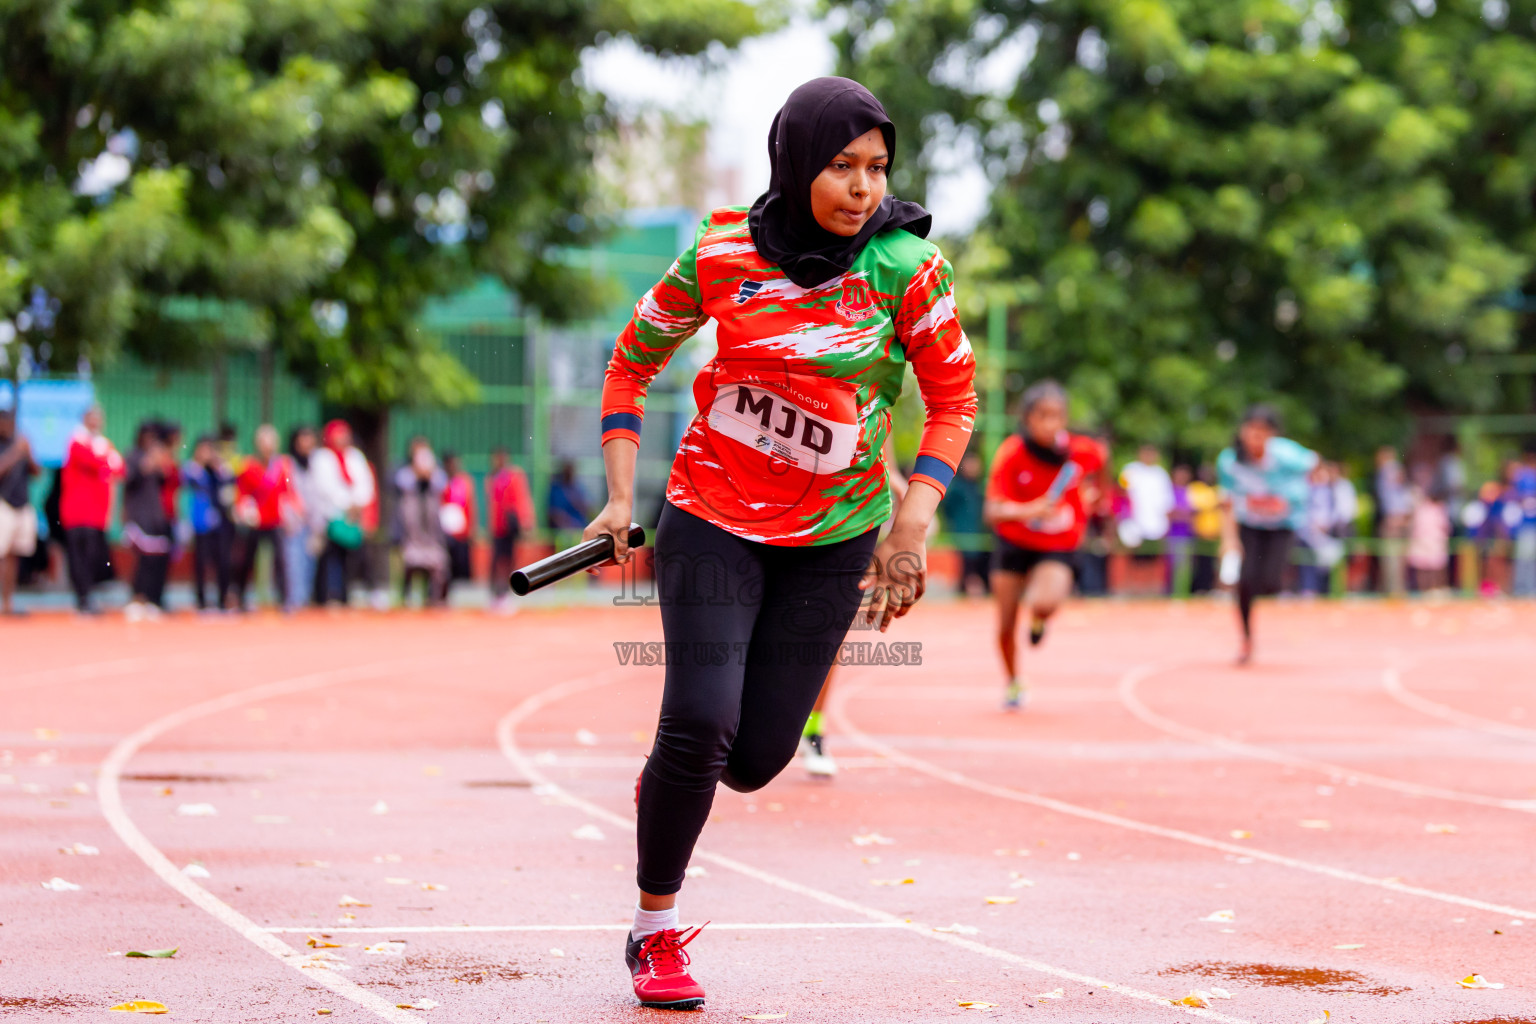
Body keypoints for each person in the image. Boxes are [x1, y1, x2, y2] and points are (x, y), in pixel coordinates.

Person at [586, 78, 975, 1011]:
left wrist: (910, 526)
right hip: (712, 518)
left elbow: (954, 399)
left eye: (877, 168)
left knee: (755, 759)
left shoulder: (907, 268)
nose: (861, 187)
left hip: (834, 541)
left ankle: (669, 784)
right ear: (797, 161)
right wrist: (614, 496)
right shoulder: (722, 253)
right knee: (702, 721)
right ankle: (652, 933)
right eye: (841, 166)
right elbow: (633, 357)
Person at [983, 380, 1107, 709]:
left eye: (1057, 416)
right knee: (1006, 623)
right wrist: (1029, 509)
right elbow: (992, 512)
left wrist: (1096, 498)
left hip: (1059, 545)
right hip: (1014, 542)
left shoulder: (1081, 451)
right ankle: (1012, 681)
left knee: (1044, 602)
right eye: (1042, 416)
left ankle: (1038, 618)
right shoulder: (1012, 453)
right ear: (1028, 419)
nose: (1050, 423)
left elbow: (1101, 465)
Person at [1217, 405, 1318, 664]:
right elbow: (1226, 501)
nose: (1256, 437)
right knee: (1245, 581)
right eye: (1251, 430)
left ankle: (1264, 588)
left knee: (1271, 583)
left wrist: (1297, 496)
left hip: (1282, 526)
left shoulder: (1287, 455)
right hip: (1250, 526)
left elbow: (1315, 464)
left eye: (1263, 432)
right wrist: (1228, 540)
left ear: (1272, 435)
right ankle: (1246, 638)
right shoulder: (1230, 462)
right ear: (1242, 431)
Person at [60, 405, 124, 614]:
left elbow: (120, 469)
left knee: (93, 555)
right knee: (78, 556)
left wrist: (106, 460)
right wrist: (106, 460)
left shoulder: (102, 443)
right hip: (76, 512)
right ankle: (82, 597)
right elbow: (94, 462)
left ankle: (87, 596)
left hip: (96, 513)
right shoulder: (77, 441)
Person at [310, 419, 375, 606]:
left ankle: (344, 595)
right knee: (329, 558)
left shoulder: (355, 456)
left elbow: (365, 483)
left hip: (352, 517)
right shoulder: (322, 457)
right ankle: (324, 596)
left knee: (351, 559)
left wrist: (357, 504)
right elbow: (325, 487)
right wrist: (346, 504)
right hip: (330, 516)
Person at [234, 424, 294, 610]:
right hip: (255, 522)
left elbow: (287, 491)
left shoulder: (282, 466)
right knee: (247, 561)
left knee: (281, 561)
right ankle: (241, 598)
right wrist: (244, 511)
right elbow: (241, 493)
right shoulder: (248, 466)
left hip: (275, 520)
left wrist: (290, 515)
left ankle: (284, 600)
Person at [122, 420, 175, 618]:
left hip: (155, 516)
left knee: (156, 560)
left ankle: (153, 599)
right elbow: (129, 480)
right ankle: (137, 598)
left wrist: (161, 465)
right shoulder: (133, 456)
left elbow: (166, 482)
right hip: (138, 515)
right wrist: (146, 464)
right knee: (142, 559)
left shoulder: (159, 457)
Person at [183, 434, 236, 613]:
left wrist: (220, 468)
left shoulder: (220, 471)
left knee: (223, 561)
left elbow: (229, 490)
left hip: (220, 524)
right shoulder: (192, 470)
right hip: (200, 524)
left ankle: (222, 600)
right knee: (200, 563)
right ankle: (201, 601)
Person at [395, 437, 449, 607]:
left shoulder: (436, 481)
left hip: (432, 539)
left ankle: (435, 601)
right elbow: (402, 482)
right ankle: (405, 598)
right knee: (409, 564)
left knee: (440, 566)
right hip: (412, 538)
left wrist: (430, 473)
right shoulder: (405, 477)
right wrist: (417, 473)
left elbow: (442, 482)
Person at [0, 408, 41, 616]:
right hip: (3, 505)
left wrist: (29, 451)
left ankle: (9, 602)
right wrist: (16, 451)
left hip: (22, 505)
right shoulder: (8, 447)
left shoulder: (21, 445)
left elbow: (37, 472)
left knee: (14, 555)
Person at [486, 447, 535, 612]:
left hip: (511, 527)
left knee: (509, 562)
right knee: (496, 562)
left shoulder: (514, 476)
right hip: (498, 528)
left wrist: (526, 522)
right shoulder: (492, 478)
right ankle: (495, 595)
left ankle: (506, 594)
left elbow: (522, 500)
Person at [282, 426, 320, 612]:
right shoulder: (288, 463)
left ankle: (305, 599)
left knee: (309, 562)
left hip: (312, 520)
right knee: (292, 561)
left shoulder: (317, 462)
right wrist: (296, 507)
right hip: (294, 520)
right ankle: (293, 600)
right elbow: (287, 486)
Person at [941, 450, 989, 596]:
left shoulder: (980, 486)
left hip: (981, 534)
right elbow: (946, 508)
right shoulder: (956, 487)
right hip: (962, 533)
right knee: (965, 566)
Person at [1119, 443, 1174, 552]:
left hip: (1157, 526)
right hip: (1132, 524)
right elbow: (1122, 494)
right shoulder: (1129, 469)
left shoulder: (1161, 474)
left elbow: (1167, 502)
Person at [439, 450, 476, 601]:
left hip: (461, 532)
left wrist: (471, 528)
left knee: (460, 565)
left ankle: (458, 597)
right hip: (443, 533)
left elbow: (471, 505)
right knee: (443, 566)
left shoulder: (464, 481)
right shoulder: (440, 481)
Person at [1407, 483, 1451, 592]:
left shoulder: (1437, 508)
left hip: (1432, 541)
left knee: (1435, 568)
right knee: (1425, 568)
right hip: (1426, 541)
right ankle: (1428, 589)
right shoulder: (1424, 508)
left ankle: (1434, 589)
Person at [547, 460, 588, 532]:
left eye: (570, 471)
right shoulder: (556, 490)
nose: (569, 473)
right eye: (566, 471)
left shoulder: (578, 489)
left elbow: (585, 509)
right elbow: (555, 513)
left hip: (578, 526)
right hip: (562, 530)